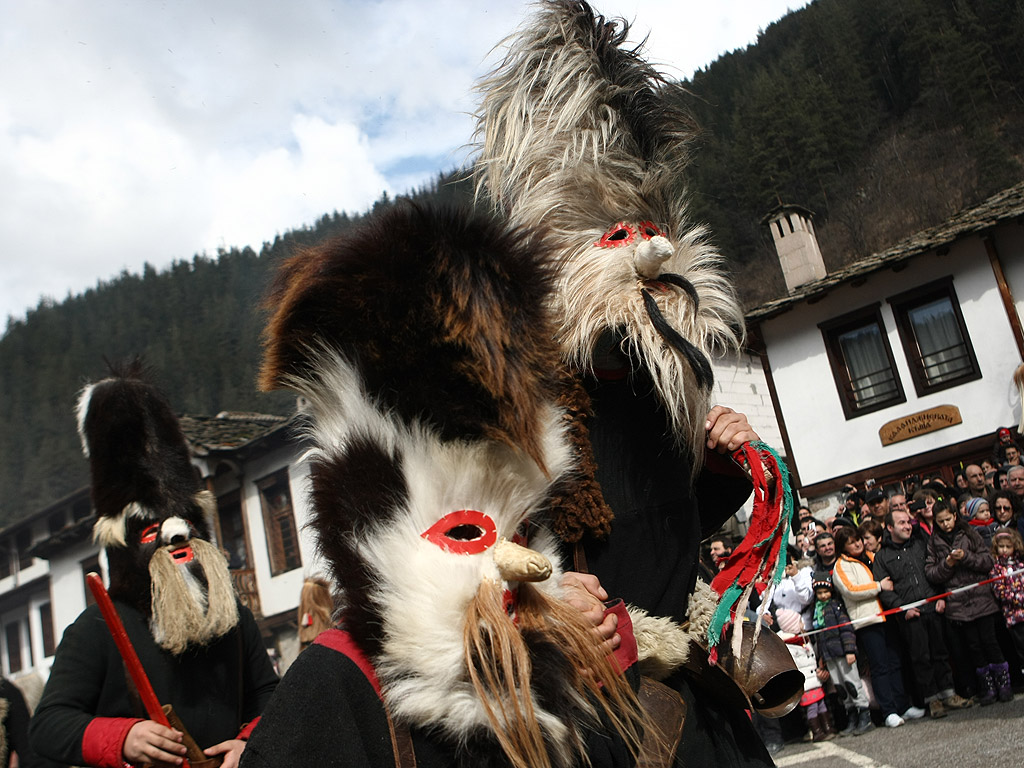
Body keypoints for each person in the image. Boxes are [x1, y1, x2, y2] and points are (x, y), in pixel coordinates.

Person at [30, 365, 279, 768]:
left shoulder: (233, 619)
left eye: (189, 525)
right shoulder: (97, 629)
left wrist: (251, 742)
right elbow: (48, 725)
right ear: (126, 547)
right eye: (151, 533)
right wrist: (122, 737)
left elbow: (269, 695)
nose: (178, 538)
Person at [870, 508, 965, 718]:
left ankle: (949, 694)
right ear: (889, 527)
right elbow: (886, 591)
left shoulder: (922, 544)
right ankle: (933, 700)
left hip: (934, 608)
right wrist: (903, 609)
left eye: (908, 522)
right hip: (911, 616)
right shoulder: (882, 557)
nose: (907, 526)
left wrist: (941, 596)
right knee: (921, 659)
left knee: (941, 653)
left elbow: (935, 571)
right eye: (901, 523)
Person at [925, 503, 1011, 705]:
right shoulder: (933, 542)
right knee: (974, 646)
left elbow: (988, 561)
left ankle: (1004, 684)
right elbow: (931, 573)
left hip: (981, 597)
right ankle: (987, 687)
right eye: (941, 521)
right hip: (958, 604)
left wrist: (966, 558)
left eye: (948, 519)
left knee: (990, 641)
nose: (945, 524)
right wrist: (948, 564)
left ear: (955, 516)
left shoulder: (970, 534)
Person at [831, 526, 913, 729]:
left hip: (887, 615)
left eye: (858, 539)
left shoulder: (872, 556)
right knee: (880, 666)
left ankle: (903, 705)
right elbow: (851, 590)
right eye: (851, 542)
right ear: (843, 546)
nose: (857, 544)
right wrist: (878, 586)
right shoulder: (841, 565)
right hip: (867, 621)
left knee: (895, 661)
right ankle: (889, 711)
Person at [809, 574, 873, 734]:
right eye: (819, 593)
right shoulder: (816, 610)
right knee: (840, 687)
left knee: (852, 683)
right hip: (829, 655)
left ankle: (864, 714)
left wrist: (850, 650)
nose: (823, 595)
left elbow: (846, 630)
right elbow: (819, 637)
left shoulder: (836, 606)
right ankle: (851, 715)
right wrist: (822, 657)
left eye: (825, 592)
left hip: (843, 653)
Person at [775, 609, 836, 743]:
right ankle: (817, 732)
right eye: (800, 622)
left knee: (822, 705)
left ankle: (828, 727)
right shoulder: (788, 644)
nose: (803, 624)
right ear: (792, 625)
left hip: (815, 678)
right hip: (805, 682)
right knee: (812, 707)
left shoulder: (803, 638)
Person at [989, 529, 1024, 666]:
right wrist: (1019, 599)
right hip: (1014, 616)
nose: (1004, 550)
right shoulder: (996, 569)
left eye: (1008, 546)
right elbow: (1000, 592)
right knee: (1021, 647)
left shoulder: (1020, 565)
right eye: (1001, 546)